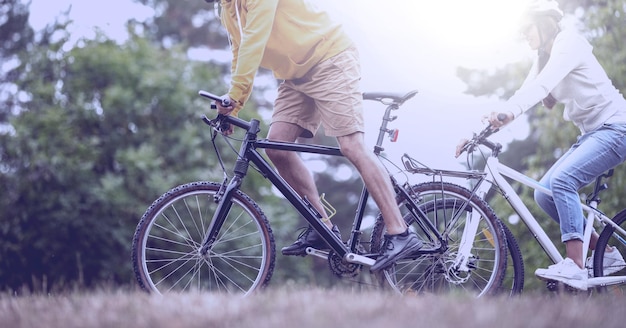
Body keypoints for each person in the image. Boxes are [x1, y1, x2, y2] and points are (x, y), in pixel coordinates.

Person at [208, 0, 422, 272]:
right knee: (277, 149)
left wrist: (237, 93)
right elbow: (240, 50)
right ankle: (323, 227)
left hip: (329, 58)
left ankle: (400, 232)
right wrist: (233, 104)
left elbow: (255, 39)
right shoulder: (226, 8)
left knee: (351, 145)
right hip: (295, 76)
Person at [458, 0, 626, 290]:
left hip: (616, 128)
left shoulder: (569, 42)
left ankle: (574, 266)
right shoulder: (543, 57)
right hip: (593, 133)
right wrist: (477, 132)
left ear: (545, 21)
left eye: (527, 27)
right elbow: (523, 92)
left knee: (563, 180)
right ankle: (606, 253)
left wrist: (510, 113)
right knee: (545, 195)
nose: (524, 34)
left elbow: (541, 86)